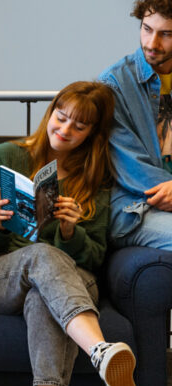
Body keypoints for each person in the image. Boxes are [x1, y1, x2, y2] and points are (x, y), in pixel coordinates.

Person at [0, 81, 136, 386]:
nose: (65, 128)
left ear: (91, 134)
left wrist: (71, 232)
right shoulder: (4, 155)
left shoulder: (95, 179)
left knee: (42, 297)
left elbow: (95, 257)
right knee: (40, 255)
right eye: (61, 116)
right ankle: (98, 349)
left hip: (70, 279)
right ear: (50, 113)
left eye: (79, 125)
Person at [99, 0, 172, 249]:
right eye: (146, 29)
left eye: (166, 34)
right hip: (136, 208)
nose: (151, 43)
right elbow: (131, 167)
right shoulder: (114, 84)